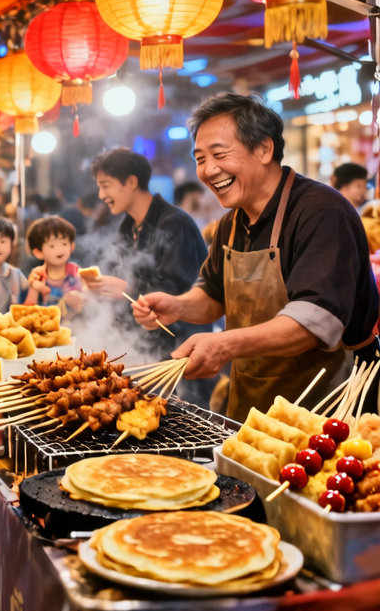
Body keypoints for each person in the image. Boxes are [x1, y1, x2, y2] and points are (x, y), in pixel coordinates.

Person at [132, 93, 380, 419]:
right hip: (251, 408)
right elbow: (213, 292)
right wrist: (179, 306)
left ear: (264, 148)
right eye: (200, 158)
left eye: (219, 154)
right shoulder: (230, 223)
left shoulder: (322, 212)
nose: (208, 170)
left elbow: (315, 321)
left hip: (332, 409)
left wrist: (224, 345)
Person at [84, 149, 210, 401]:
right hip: (141, 348)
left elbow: (183, 291)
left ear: (131, 182)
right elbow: (120, 279)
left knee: (178, 423)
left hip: (179, 353)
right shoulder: (127, 227)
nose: (101, 195)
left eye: (105, 185)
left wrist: (127, 287)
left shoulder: (175, 224)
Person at [24, 217, 85, 311]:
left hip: (76, 320)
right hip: (48, 320)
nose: (59, 250)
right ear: (38, 253)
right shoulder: (38, 274)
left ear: (72, 246)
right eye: (52, 246)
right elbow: (29, 305)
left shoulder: (76, 271)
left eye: (64, 244)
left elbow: (88, 295)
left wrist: (81, 298)